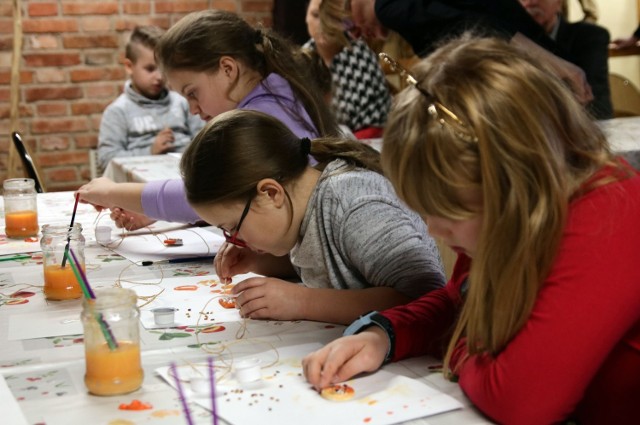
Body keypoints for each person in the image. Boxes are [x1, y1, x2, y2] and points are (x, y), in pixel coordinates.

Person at [303, 35, 640, 424]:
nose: (431, 229)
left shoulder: (611, 217)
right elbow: (459, 302)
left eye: (446, 209)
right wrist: (383, 336)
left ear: (515, 181)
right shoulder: (513, 218)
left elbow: (519, 401)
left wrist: (461, 348)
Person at [78, 10, 339, 230]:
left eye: (193, 93)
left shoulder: (256, 119)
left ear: (228, 69)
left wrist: (111, 192)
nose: (192, 109)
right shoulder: (276, 89)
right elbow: (235, 196)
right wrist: (153, 212)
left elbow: (208, 192)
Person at [180, 109, 445, 324]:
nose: (234, 239)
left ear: (271, 193)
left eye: (233, 227)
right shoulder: (302, 213)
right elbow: (335, 262)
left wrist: (302, 302)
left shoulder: (354, 205)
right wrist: (262, 261)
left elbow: (428, 297)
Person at [346, 0, 594, 105]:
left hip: (535, 84)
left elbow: (475, 33)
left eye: (351, 26)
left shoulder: (389, 7)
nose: (360, 34)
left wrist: (557, 66)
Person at [97, 26, 204, 171]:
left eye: (163, 68)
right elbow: (106, 159)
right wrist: (149, 152)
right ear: (129, 66)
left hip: (186, 177)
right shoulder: (117, 111)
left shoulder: (183, 102)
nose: (159, 77)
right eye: (150, 69)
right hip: (139, 186)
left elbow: (204, 141)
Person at [304, 0, 392, 139]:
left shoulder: (361, 57)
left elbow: (376, 122)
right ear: (306, 19)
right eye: (315, 15)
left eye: (332, 18)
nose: (322, 25)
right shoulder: (301, 58)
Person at [519, 0, 612, 119]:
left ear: (560, 3)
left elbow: (597, 107)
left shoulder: (589, 37)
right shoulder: (502, 40)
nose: (531, 2)